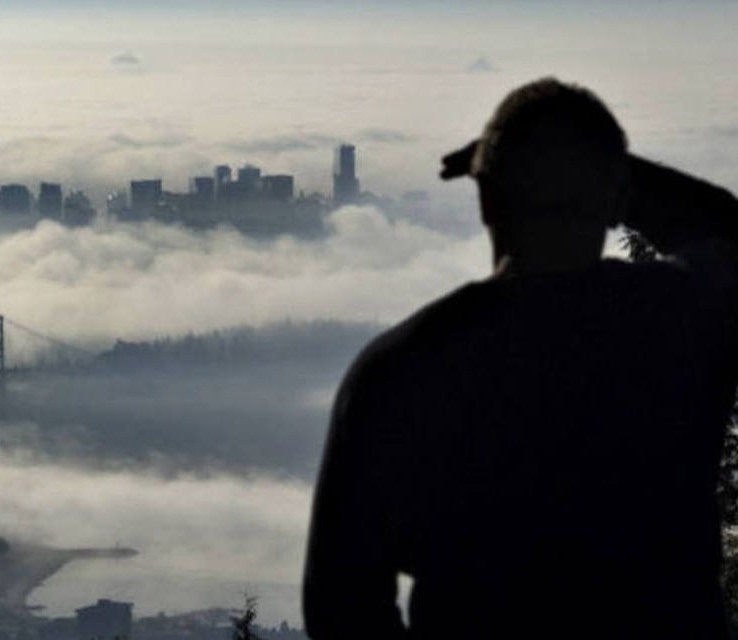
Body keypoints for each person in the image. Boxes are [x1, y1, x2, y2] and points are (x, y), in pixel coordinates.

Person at [302, 78, 738, 639]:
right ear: (615, 202)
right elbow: (725, 228)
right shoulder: (684, 325)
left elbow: (341, 604)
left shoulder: (403, 367)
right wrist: (613, 173)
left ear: (484, 200)